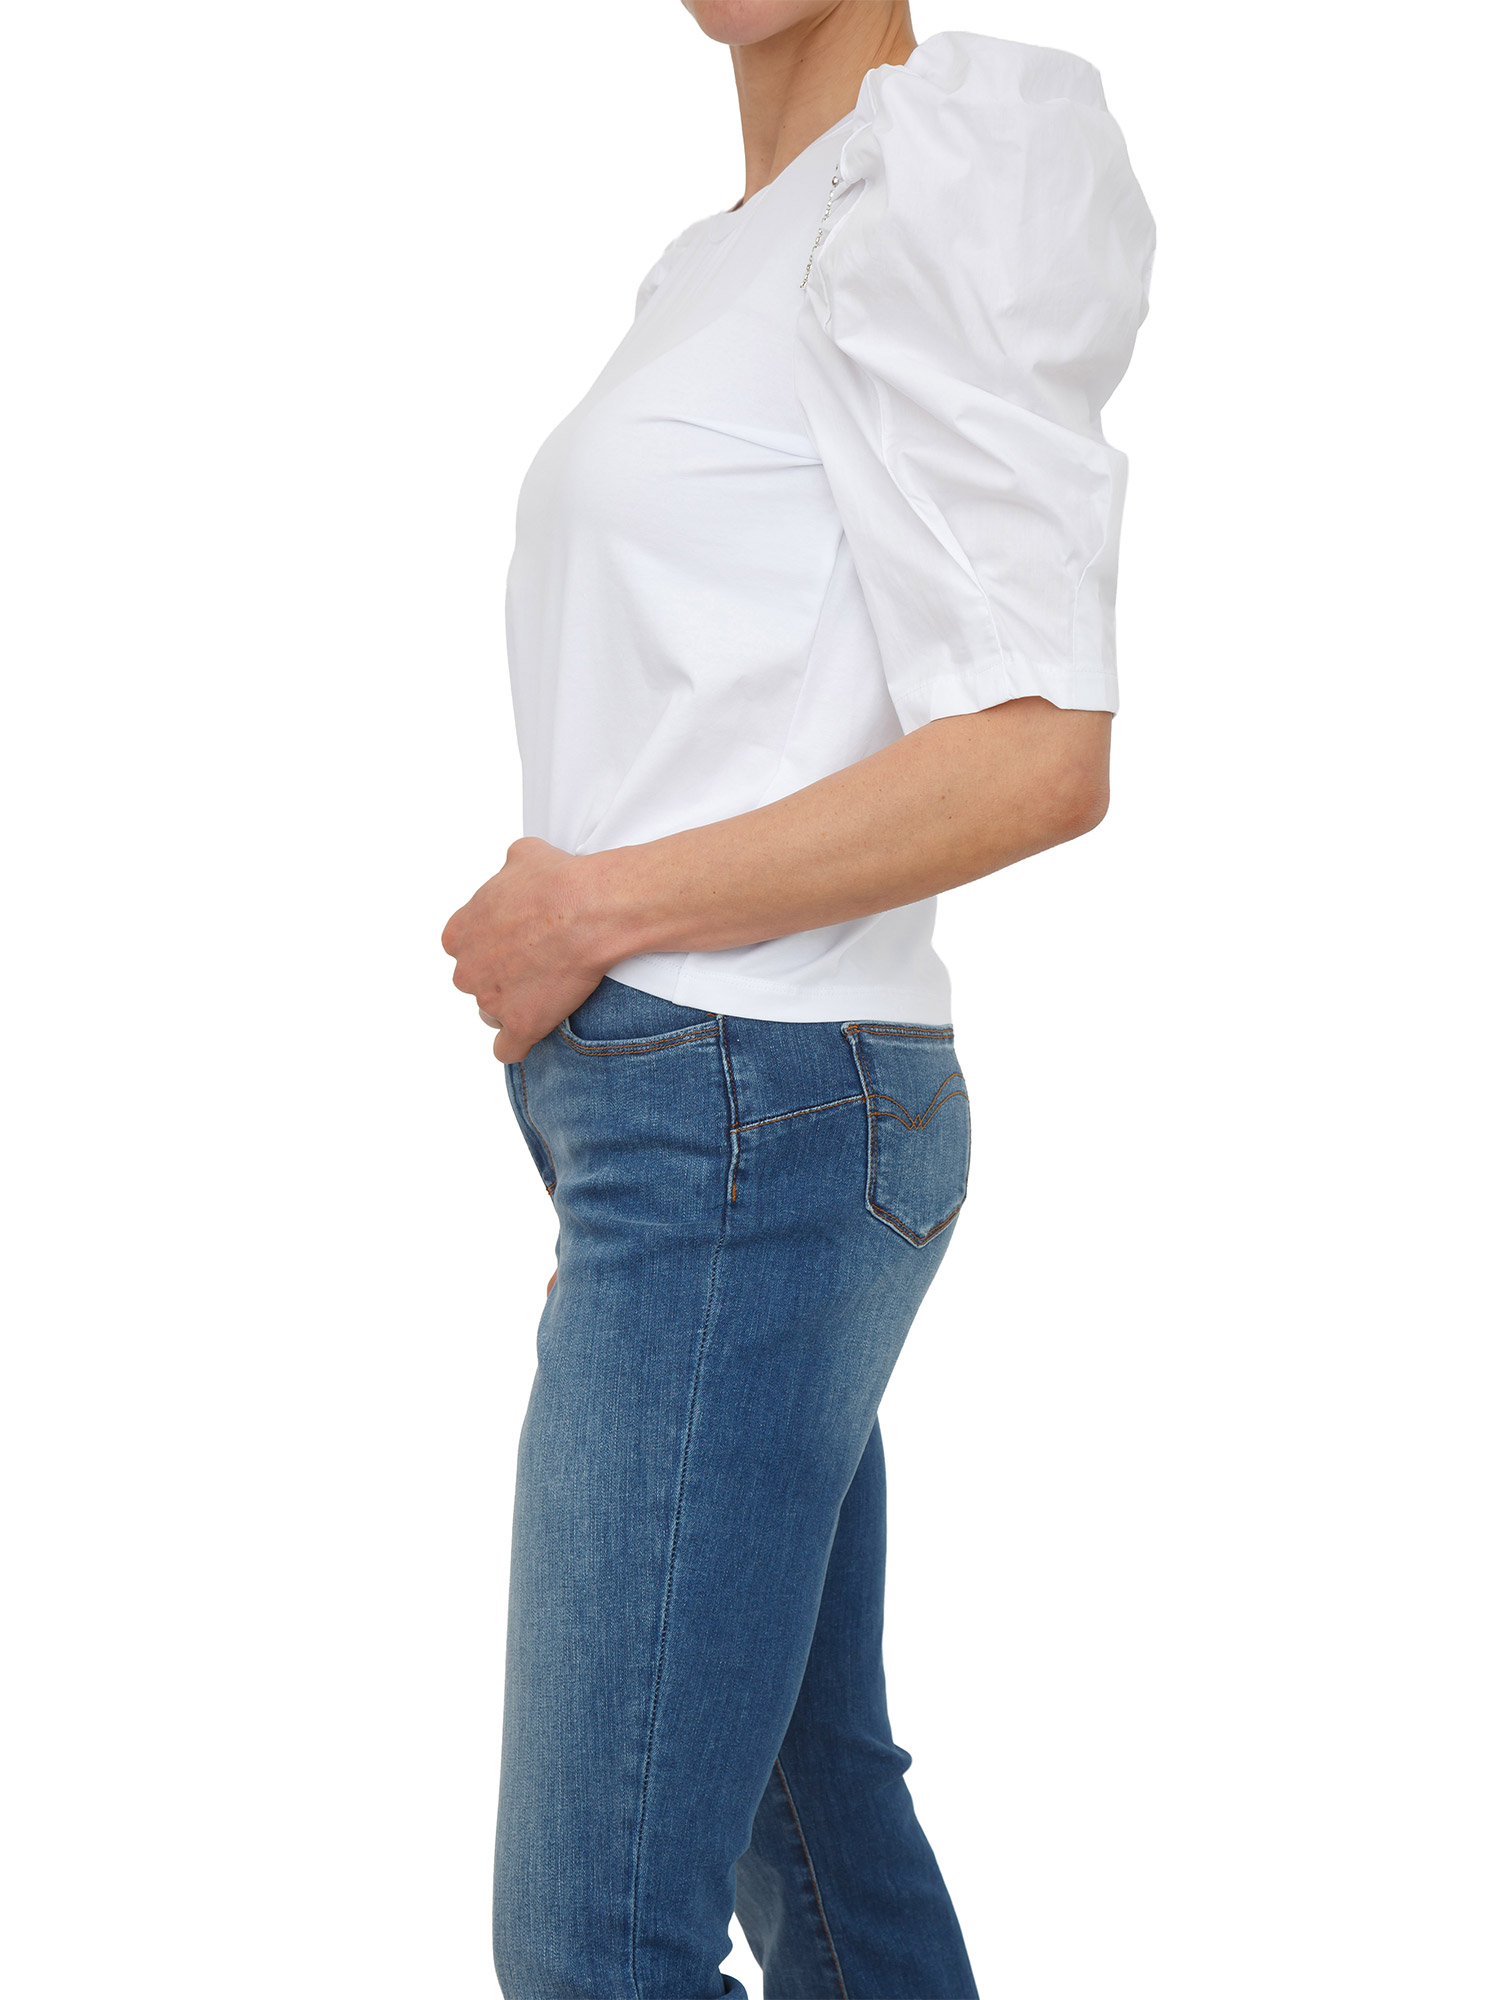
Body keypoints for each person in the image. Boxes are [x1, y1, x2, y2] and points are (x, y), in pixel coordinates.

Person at [441, 2, 1154, 1991]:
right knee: (808, 1817)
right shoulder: (731, 255)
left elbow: (1038, 752)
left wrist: (597, 907)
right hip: (697, 1122)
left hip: (749, 1116)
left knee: (595, 1940)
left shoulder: (939, 176)